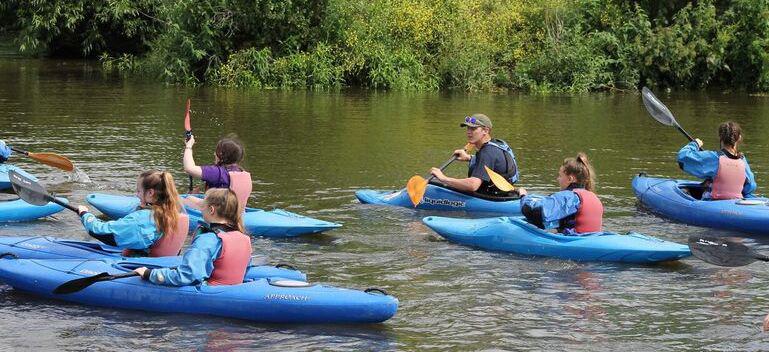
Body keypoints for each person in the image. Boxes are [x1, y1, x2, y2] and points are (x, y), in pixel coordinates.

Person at [133, 188, 252, 286]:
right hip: (231, 291)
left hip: (209, 295)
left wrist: (148, 273)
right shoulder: (244, 238)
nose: (201, 208)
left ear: (211, 210)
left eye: (203, 205)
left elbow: (186, 276)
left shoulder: (208, 239)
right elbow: (245, 269)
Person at [77, 170, 188, 256]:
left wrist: (85, 214)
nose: (136, 195)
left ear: (150, 193)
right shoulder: (173, 213)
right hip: (164, 264)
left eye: (139, 191)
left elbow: (99, 231)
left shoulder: (144, 218)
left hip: (142, 269)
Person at [429, 113, 519, 196]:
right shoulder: (497, 144)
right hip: (503, 193)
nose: (468, 132)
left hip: (492, 198)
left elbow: (473, 185)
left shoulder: (487, 153)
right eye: (468, 128)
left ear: (485, 130)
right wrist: (469, 158)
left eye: (473, 129)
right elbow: (494, 163)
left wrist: (443, 178)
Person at [517, 153, 603, 235]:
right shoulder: (593, 196)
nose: (557, 179)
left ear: (570, 179)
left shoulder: (569, 196)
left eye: (560, 176)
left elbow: (534, 212)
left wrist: (524, 196)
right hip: (591, 238)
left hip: (573, 242)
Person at [677, 121, 756, 200]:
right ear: (739, 138)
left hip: (713, 202)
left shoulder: (714, 158)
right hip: (736, 202)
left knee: (686, 191)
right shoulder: (742, 161)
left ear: (720, 137)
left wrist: (695, 144)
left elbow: (683, 157)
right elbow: (750, 187)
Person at [182, 134, 252, 211]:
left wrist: (188, 146)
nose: (214, 154)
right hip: (236, 212)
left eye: (216, 151)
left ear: (221, 155)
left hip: (219, 214)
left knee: (186, 199)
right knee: (192, 197)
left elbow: (189, 168)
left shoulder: (218, 172)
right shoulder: (242, 172)